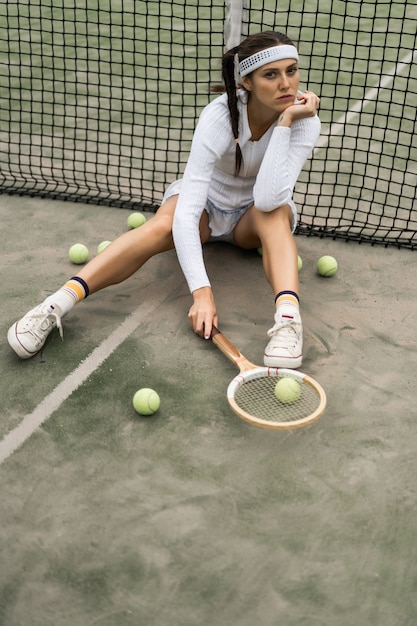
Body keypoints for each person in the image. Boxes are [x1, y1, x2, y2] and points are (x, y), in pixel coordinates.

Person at [7, 30, 320, 369]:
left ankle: (288, 322)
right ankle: (55, 305)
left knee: (274, 215)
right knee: (162, 226)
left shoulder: (303, 120)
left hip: (254, 219)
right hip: (204, 208)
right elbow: (187, 211)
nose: (286, 84)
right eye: (271, 75)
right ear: (246, 82)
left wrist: (287, 123)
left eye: (291, 70)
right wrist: (202, 293)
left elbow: (268, 197)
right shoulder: (219, 117)